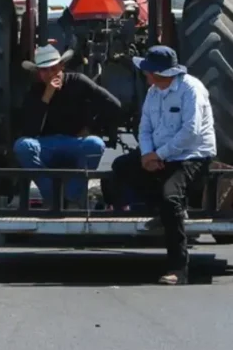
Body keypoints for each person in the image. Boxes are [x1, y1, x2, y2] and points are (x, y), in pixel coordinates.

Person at [107, 46, 215, 286]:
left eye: (148, 72)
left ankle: (178, 268)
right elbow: (144, 128)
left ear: (159, 73)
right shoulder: (154, 92)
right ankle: (162, 211)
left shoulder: (191, 90)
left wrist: (160, 155)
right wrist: (147, 154)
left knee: (171, 198)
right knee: (121, 167)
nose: (146, 76)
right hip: (159, 154)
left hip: (190, 156)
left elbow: (191, 132)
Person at [14, 44, 122, 208]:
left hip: (74, 142)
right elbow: (29, 131)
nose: (49, 74)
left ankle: (72, 197)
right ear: (38, 73)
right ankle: (52, 196)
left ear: (61, 66)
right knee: (22, 146)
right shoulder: (35, 91)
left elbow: (113, 105)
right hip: (46, 144)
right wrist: (46, 97)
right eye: (44, 70)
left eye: (53, 68)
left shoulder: (78, 81)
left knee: (95, 144)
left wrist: (91, 127)